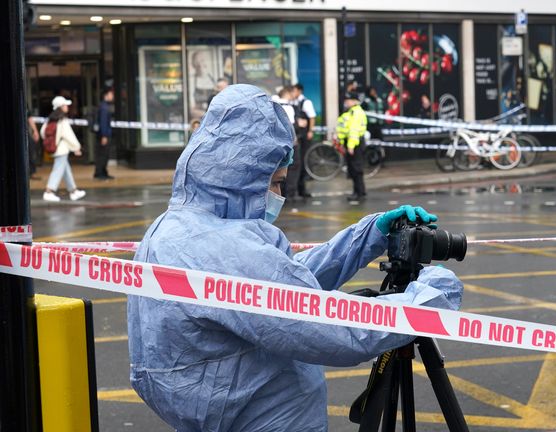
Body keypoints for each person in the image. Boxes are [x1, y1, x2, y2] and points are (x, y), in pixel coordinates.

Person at [126, 84, 463, 432]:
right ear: (242, 178)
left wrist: (368, 236)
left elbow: (283, 287)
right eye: (275, 183)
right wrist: (426, 299)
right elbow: (331, 330)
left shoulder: (178, 227)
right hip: (262, 417)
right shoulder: (227, 248)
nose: (279, 195)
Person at [41, 96, 86, 202]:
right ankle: (49, 191)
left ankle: (73, 191)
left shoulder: (50, 119)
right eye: (65, 105)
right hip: (61, 149)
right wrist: (77, 147)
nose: (67, 107)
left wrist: (52, 141)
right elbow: (69, 135)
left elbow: (43, 132)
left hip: (55, 148)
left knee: (66, 170)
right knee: (57, 170)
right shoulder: (62, 119)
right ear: (60, 106)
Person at [337, 93, 368, 201]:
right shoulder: (351, 112)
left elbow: (354, 130)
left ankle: (359, 193)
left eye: (348, 100)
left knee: (356, 168)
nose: (346, 102)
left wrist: (350, 146)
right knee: (353, 168)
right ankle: (359, 191)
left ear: (355, 101)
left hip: (355, 143)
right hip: (353, 142)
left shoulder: (356, 112)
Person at [291, 83, 316, 198]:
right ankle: (296, 188)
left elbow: (312, 117)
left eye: (295, 91)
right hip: (296, 135)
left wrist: (311, 131)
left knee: (303, 160)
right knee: (297, 162)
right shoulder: (292, 102)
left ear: (300, 91)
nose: (293, 93)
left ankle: (302, 189)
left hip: (304, 136)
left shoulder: (306, 102)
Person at [94, 88, 114, 180]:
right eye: (111, 94)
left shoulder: (103, 106)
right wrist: (104, 136)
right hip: (104, 135)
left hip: (103, 134)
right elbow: (103, 122)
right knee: (103, 154)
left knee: (103, 154)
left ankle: (102, 172)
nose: (112, 96)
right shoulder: (104, 107)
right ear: (106, 95)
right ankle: (100, 173)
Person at [27, 109, 40, 180]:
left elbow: (29, 118)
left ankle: (32, 173)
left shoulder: (24, 103)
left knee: (31, 151)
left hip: (24, 132)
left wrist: (35, 131)